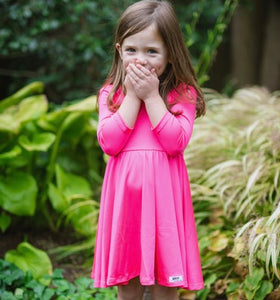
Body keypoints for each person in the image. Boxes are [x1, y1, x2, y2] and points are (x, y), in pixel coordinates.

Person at [91, 1, 205, 299]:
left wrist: (152, 96)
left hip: (164, 202)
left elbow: (175, 142)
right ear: (119, 49)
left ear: (170, 53)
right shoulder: (110, 94)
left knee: (165, 285)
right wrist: (132, 96)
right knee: (126, 282)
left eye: (152, 52)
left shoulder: (183, 93)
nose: (140, 60)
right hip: (126, 202)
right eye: (132, 50)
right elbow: (110, 143)